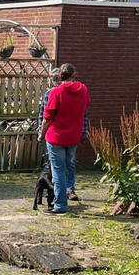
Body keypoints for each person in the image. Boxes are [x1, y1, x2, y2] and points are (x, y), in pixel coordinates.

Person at [38, 63, 90, 215]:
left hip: (56, 137)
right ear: (74, 75)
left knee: (58, 170)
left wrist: (42, 134)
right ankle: (69, 190)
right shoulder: (83, 90)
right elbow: (84, 107)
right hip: (74, 136)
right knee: (69, 166)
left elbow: (47, 117)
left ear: (60, 76)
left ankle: (60, 205)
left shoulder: (56, 92)